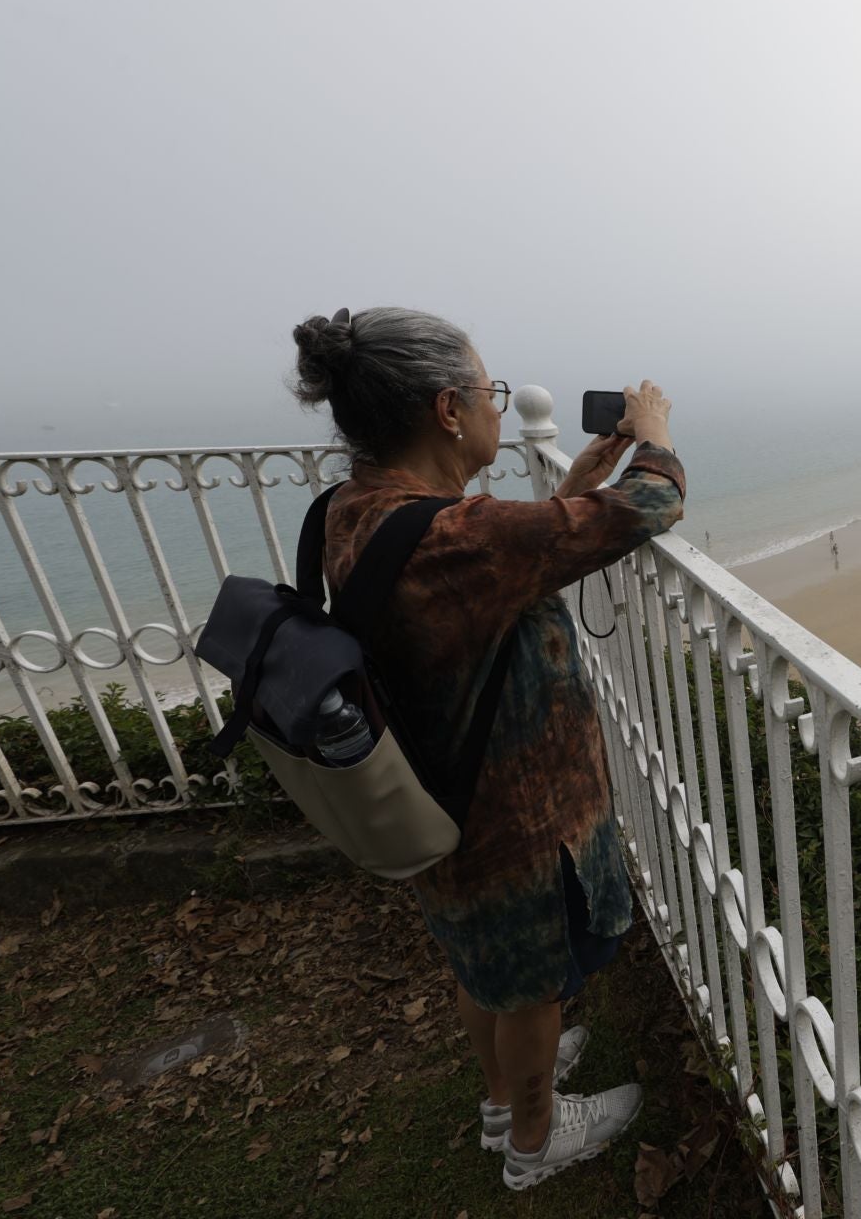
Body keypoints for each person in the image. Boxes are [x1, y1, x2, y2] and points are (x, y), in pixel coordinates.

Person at [291, 308, 682, 1189]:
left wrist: (572, 487)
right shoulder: (453, 539)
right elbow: (653, 503)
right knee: (534, 983)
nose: (500, 406)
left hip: (436, 790)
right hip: (515, 811)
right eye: (490, 391)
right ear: (448, 411)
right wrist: (652, 437)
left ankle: (503, 1097)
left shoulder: (353, 510)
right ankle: (536, 1140)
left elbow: (477, 574)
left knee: (484, 967)